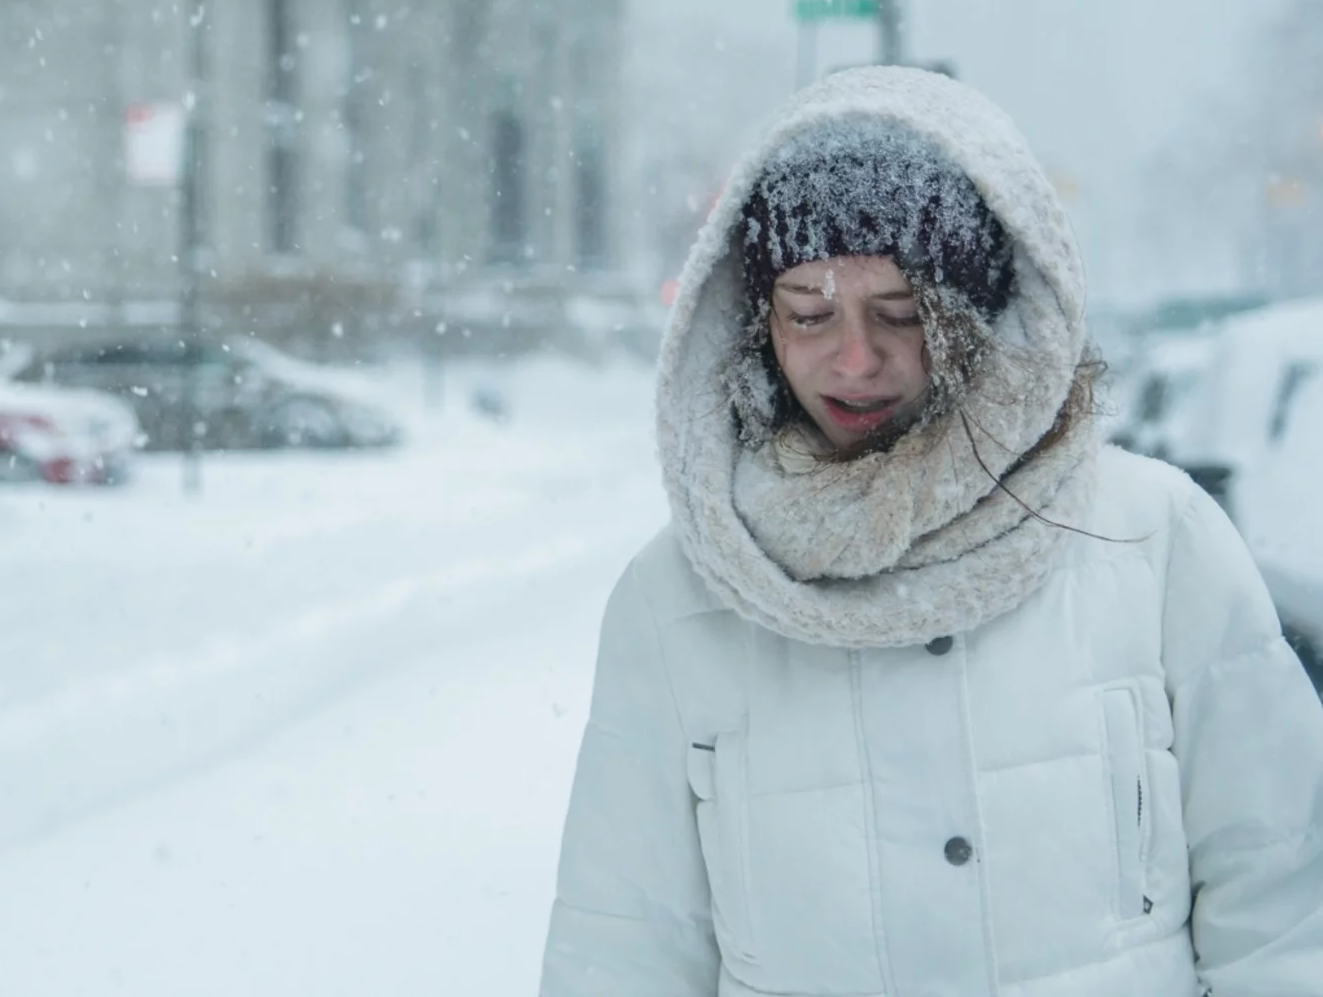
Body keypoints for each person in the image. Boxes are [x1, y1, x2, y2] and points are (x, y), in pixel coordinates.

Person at [539, 66, 1323, 996]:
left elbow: (1282, 907)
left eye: (902, 314)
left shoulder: (1151, 540)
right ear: (759, 327)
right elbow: (626, 947)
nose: (855, 358)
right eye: (809, 314)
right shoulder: (677, 600)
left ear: (975, 318)